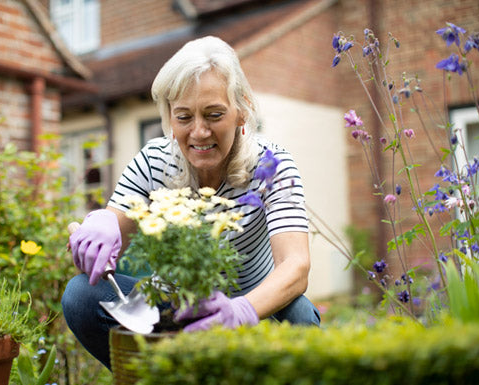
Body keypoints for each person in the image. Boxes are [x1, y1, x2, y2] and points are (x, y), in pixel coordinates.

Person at [62, 35, 321, 370]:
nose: (199, 132)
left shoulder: (271, 165)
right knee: (82, 295)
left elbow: (295, 266)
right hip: (174, 312)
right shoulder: (154, 161)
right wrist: (102, 227)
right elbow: (113, 242)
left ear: (241, 111)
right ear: (169, 117)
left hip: (253, 313)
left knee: (299, 315)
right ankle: (160, 378)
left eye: (213, 115)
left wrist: (240, 311)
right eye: (184, 117)